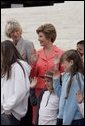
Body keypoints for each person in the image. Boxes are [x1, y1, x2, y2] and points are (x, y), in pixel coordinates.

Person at [30, 23, 63, 125]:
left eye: (41, 36)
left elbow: (63, 75)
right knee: (37, 119)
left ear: (49, 37)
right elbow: (32, 75)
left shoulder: (61, 53)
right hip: (38, 92)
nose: (38, 39)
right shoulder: (37, 53)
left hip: (55, 93)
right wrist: (34, 63)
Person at [5, 19, 35, 125]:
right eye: (13, 32)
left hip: (25, 83)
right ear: (9, 33)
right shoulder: (8, 45)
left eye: (17, 31)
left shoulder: (28, 44)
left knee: (26, 116)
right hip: (12, 82)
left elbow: (32, 64)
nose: (15, 33)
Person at [1, 40, 31, 125]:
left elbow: (20, 91)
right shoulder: (8, 67)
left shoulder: (17, 67)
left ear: (6, 53)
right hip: (5, 111)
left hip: (10, 113)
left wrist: (7, 107)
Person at [53, 49, 84, 125]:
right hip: (63, 117)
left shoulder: (77, 78)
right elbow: (60, 94)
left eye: (63, 62)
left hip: (73, 120)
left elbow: (72, 104)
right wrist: (56, 79)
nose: (62, 65)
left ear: (71, 62)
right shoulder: (66, 75)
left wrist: (65, 122)